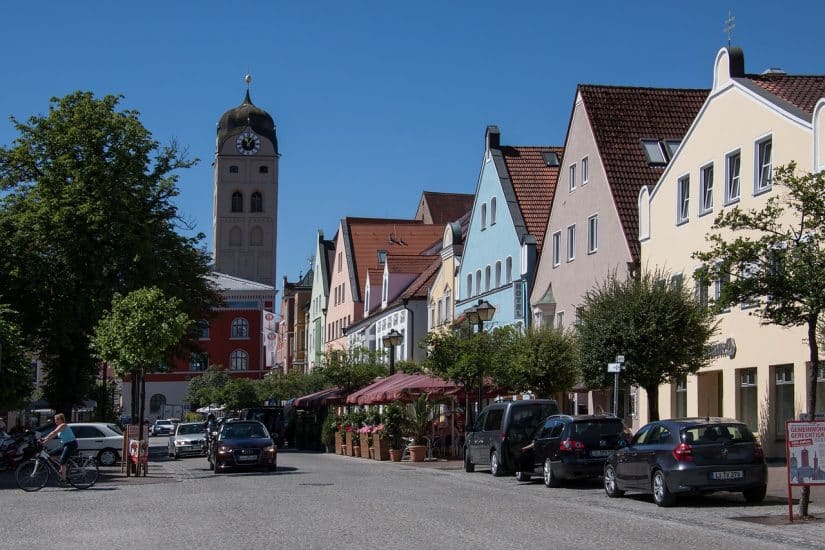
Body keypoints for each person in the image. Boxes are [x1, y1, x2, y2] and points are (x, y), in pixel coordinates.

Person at [40, 413, 77, 483]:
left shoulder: (63, 425)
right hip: (65, 444)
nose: (55, 421)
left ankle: (64, 479)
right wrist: (43, 439)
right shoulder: (59, 426)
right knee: (52, 454)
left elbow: (54, 433)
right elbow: (52, 435)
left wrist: (44, 442)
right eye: (55, 420)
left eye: (57, 419)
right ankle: (63, 467)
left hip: (71, 444)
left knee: (63, 460)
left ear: (61, 419)